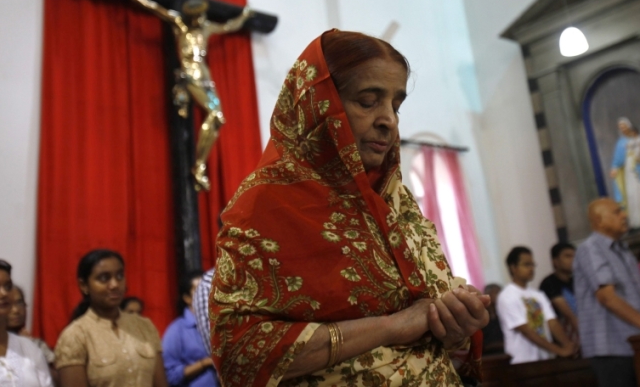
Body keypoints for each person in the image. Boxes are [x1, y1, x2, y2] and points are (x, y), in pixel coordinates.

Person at [209, 30, 490, 386]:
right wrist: (392, 326)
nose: (389, 119)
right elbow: (240, 354)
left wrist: (456, 324)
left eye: (396, 105)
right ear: (320, 105)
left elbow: (440, 337)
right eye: (368, 101)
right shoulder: (266, 205)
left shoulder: (397, 203)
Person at [103, 0, 253, 190]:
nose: (202, 19)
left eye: (203, 16)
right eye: (198, 16)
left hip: (205, 80)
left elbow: (229, 26)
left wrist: (244, 16)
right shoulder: (179, 26)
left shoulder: (207, 29)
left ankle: (200, 165)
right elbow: (149, 4)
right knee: (214, 114)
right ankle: (199, 168)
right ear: (191, 17)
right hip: (190, 78)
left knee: (218, 117)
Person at [573, 199, 640, 387]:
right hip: (611, 346)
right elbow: (607, 297)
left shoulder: (623, 251)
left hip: (637, 342)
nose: (624, 216)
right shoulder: (590, 249)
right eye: (616, 212)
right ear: (599, 221)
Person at [54, 249, 166, 387]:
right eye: (104, 278)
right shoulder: (75, 336)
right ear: (84, 286)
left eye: (119, 276)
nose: (115, 284)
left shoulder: (144, 326)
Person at [496, 247, 575, 364]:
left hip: (546, 358)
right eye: (526, 264)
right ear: (513, 268)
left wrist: (568, 346)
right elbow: (526, 330)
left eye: (532, 264)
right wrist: (559, 350)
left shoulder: (538, 295)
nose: (531, 268)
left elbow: (552, 322)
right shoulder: (506, 296)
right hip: (522, 361)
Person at [162, 271, 216, 387]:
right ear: (187, 298)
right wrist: (205, 363)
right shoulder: (177, 330)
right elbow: (169, 376)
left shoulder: (224, 324)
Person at [609, 118, 640, 228]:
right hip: (629, 170)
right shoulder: (621, 142)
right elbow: (617, 159)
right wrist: (614, 168)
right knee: (631, 192)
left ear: (629, 126)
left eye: (624, 126)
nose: (622, 129)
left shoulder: (638, 138)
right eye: (621, 127)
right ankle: (636, 220)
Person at [7, 285, 58, 381]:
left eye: (20, 303)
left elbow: (57, 380)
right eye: (8, 304)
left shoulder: (37, 345)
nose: (16, 310)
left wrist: (28, 348)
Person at [539, 242, 579, 340]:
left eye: (574, 256)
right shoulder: (549, 283)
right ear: (555, 261)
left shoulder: (577, 281)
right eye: (567, 256)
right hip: (562, 336)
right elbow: (568, 314)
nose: (572, 260)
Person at [480, 284, 504, 355]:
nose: (500, 296)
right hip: (488, 356)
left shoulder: (501, 315)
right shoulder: (481, 317)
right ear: (487, 295)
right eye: (497, 292)